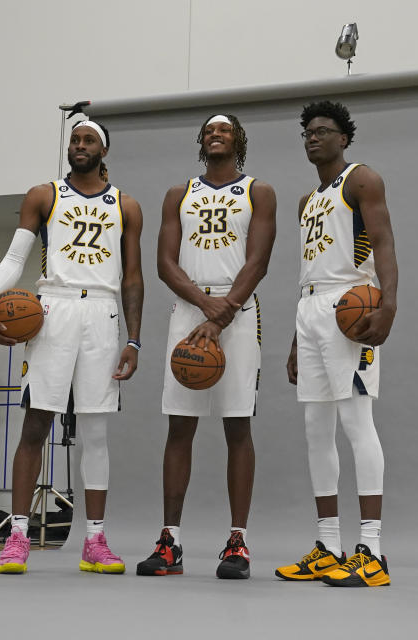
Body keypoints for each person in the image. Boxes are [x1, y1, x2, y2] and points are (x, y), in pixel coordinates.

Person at [0, 119, 144, 575]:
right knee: (36, 423)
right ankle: (17, 537)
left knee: (95, 432)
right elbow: (16, 258)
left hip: (103, 314)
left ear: (104, 149)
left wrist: (133, 338)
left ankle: (95, 540)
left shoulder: (126, 205)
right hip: (53, 310)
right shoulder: (44, 195)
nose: (80, 146)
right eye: (74, 139)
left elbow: (133, 278)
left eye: (88, 140)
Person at [136, 114, 276, 579]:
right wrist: (205, 308)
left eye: (224, 130)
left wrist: (224, 313)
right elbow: (164, 263)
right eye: (208, 131)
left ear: (239, 140)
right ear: (201, 142)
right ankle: (169, 542)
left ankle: (238, 542)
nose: (216, 134)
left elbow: (258, 260)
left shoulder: (259, 191)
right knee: (180, 428)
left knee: (238, 426)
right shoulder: (180, 194)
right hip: (190, 307)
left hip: (238, 312)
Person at [276, 101, 398, 587]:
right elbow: (310, 272)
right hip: (311, 310)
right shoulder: (308, 200)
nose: (313, 137)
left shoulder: (361, 180)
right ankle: (329, 545)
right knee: (315, 427)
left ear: (344, 138)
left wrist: (388, 305)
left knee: (356, 420)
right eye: (307, 132)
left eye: (323, 131)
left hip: (351, 306)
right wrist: (294, 336)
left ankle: (372, 550)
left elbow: (385, 242)